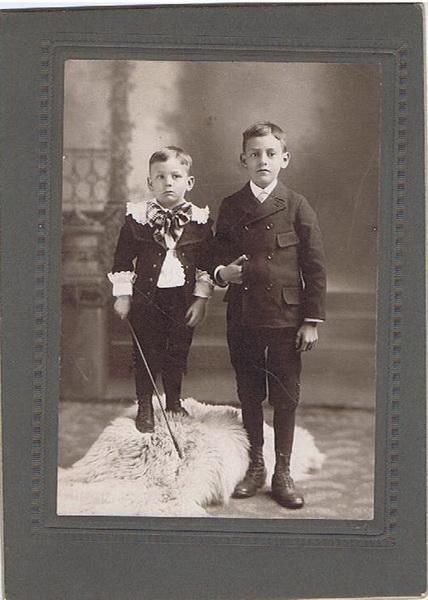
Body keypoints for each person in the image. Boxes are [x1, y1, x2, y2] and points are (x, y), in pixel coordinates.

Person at [212, 122, 326, 509]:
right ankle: (256, 466)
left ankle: (283, 472)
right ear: (243, 159)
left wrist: (311, 319)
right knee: (249, 393)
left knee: (286, 396)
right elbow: (215, 256)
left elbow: (314, 267)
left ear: (284, 159)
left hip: (285, 317)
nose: (263, 160)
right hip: (243, 316)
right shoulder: (231, 206)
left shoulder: (297, 205)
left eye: (271, 153)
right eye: (255, 154)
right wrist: (221, 274)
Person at [108, 146, 213, 433]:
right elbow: (121, 260)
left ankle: (174, 401)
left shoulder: (200, 221)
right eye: (161, 176)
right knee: (146, 351)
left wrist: (200, 300)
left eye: (176, 176)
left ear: (188, 182)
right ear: (150, 183)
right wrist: (122, 296)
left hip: (182, 299)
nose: (168, 182)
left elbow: (206, 265)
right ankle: (145, 405)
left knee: (177, 350)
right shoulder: (137, 218)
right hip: (146, 299)